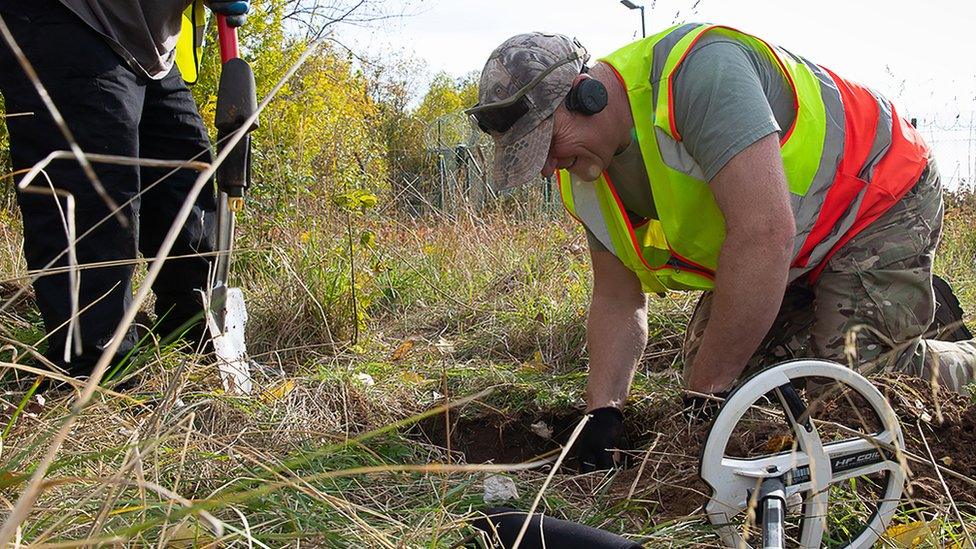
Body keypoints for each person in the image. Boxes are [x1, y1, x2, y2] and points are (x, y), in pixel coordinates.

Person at [468, 26, 976, 471]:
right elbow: (618, 299)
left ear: (587, 96)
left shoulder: (699, 74)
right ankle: (891, 306)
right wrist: (603, 412)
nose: (545, 165)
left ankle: (947, 350)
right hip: (793, 240)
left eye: (546, 143)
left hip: (876, 197)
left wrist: (704, 393)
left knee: (845, 398)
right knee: (741, 382)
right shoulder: (584, 171)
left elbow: (762, 235)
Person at [0, 0, 249, 378]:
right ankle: (95, 379)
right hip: (68, 18)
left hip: (149, 47)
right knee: (96, 208)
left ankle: (197, 348)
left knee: (186, 186)